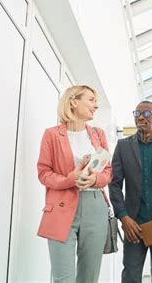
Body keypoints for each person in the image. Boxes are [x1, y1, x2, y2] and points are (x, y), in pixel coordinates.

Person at [37, 85, 112, 283]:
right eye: (91, 100)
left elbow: (108, 171)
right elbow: (44, 173)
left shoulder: (98, 134)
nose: (95, 106)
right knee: (63, 278)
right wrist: (70, 179)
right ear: (73, 101)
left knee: (89, 278)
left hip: (95, 206)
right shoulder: (51, 134)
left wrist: (95, 179)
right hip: (61, 206)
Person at [109, 101, 152, 283]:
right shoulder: (123, 146)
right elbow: (114, 184)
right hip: (134, 224)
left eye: (147, 114)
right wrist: (123, 217)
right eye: (137, 113)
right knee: (130, 275)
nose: (141, 117)